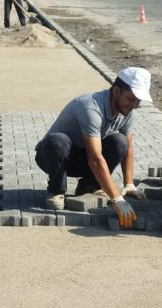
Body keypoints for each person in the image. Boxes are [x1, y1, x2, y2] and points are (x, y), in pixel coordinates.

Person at [34, 67, 152, 226]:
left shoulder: (126, 112)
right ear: (116, 91)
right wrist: (117, 198)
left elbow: (128, 147)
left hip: (83, 156)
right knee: (59, 141)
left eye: (138, 101)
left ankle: (89, 185)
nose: (135, 105)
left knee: (120, 141)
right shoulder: (91, 107)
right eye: (131, 99)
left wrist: (129, 184)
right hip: (52, 156)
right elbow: (95, 160)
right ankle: (56, 190)